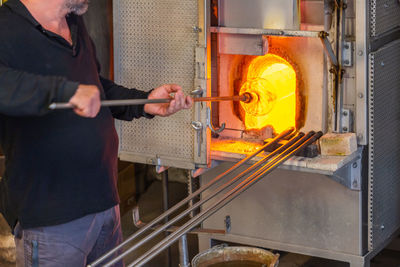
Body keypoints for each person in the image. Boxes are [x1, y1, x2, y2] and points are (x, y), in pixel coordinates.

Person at [0, 0, 193, 266]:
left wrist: (144, 102)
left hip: (104, 201)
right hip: (52, 219)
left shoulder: (74, 22)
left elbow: (95, 87)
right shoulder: (6, 28)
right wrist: (65, 91)